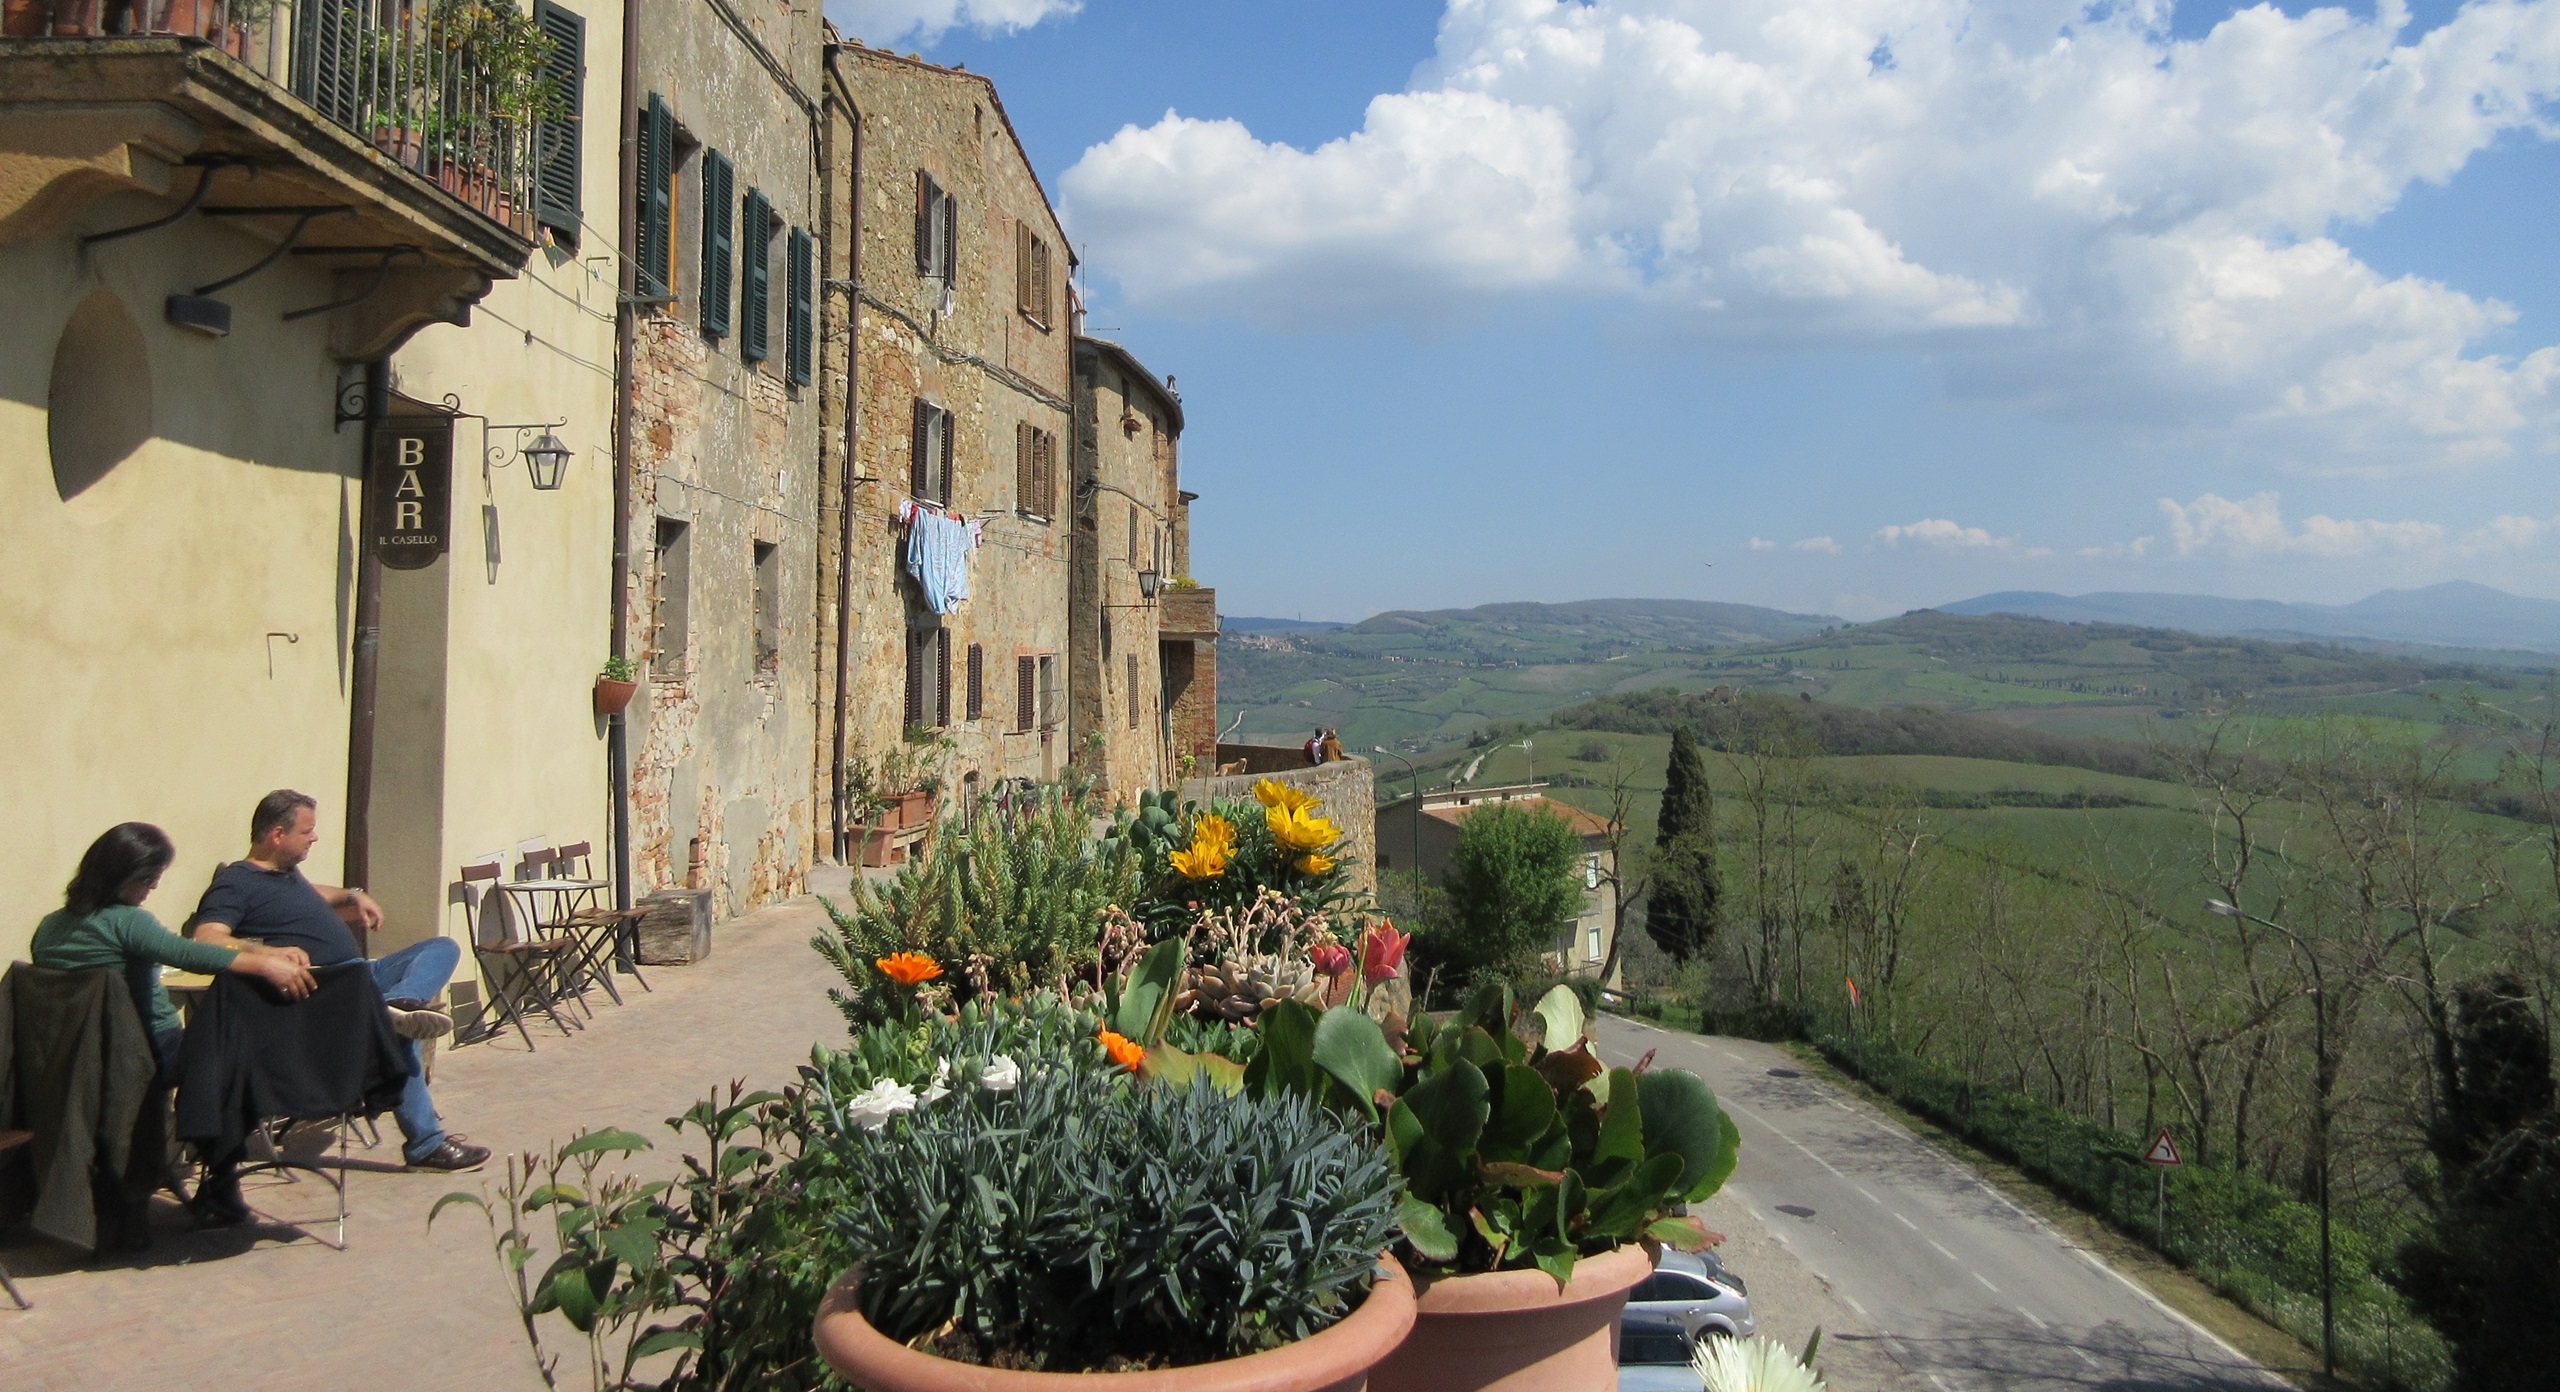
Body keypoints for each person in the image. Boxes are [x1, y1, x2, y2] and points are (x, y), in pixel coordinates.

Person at [185, 789, 489, 1176]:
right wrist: (264, 954)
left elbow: (316, 893)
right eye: (307, 831)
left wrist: (352, 894)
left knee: (442, 947)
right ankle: (426, 1142)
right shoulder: (236, 883)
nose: (314, 837)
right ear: (277, 835)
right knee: (397, 1035)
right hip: (330, 997)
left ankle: (400, 1003)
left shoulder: (286, 873)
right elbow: (207, 936)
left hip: (363, 977)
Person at [31, 823, 317, 1091]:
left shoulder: (48, 927)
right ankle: (211, 1139)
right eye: (148, 878)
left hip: (73, 1056)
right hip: (146, 1047)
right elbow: (186, 953)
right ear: (119, 875)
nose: (153, 887)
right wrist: (267, 964)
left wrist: (264, 952)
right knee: (238, 1060)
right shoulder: (127, 921)